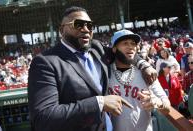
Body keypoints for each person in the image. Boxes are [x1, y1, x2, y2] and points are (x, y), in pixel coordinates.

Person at [28, 6, 157, 131]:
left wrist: (143, 65)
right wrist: (99, 103)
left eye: (89, 26)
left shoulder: (97, 48)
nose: (85, 29)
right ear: (62, 30)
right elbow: (43, 118)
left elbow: (123, 52)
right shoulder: (45, 62)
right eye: (78, 24)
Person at [108, 30, 170, 131]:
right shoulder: (104, 72)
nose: (130, 47)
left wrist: (157, 102)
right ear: (114, 49)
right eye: (125, 43)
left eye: (133, 43)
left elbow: (167, 108)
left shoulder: (147, 73)